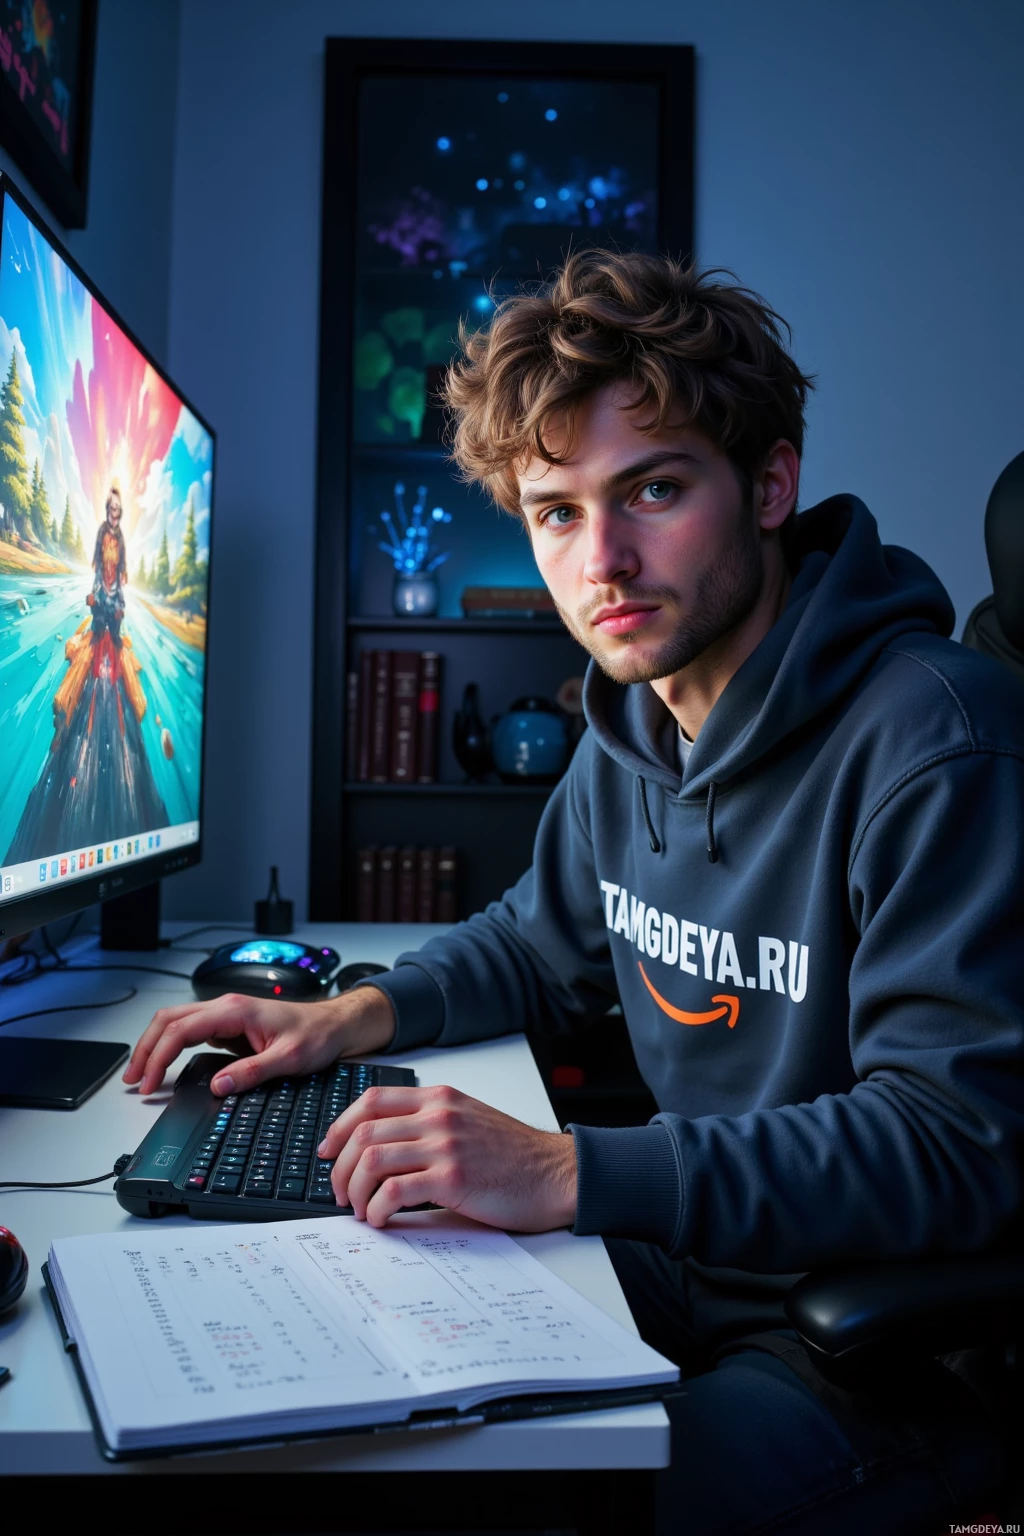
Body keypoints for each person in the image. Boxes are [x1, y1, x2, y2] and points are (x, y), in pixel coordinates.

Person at [124, 251, 1023, 1533]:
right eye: (555, 512)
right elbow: (535, 944)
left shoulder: (942, 743)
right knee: (332, 1389)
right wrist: (349, 1016)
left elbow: (953, 1142)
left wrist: (567, 1170)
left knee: (531, 1506)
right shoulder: (636, 724)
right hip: (692, 1262)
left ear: (770, 485)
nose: (603, 560)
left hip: (881, 1346)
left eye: (654, 489)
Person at [88, 482, 128, 647]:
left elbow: (123, 555)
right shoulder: (102, 529)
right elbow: (98, 547)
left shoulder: (120, 536)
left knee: (116, 617)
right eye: (112, 506)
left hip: (114, 579)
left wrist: (123, 571)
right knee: (97, 611)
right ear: (108, 508)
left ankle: (114, 631)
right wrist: (96, 561)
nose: (114, 510)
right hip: (102, 574)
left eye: (117, 507)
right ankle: (98, 628)